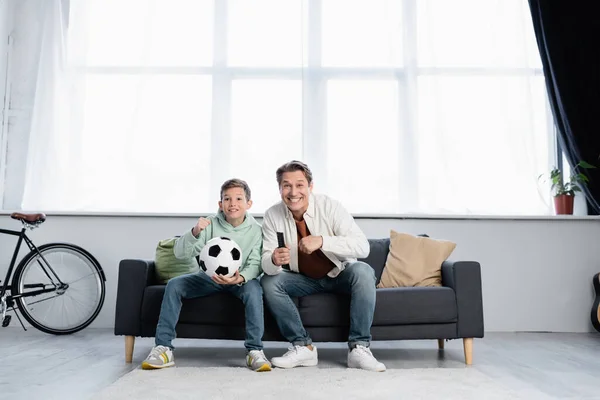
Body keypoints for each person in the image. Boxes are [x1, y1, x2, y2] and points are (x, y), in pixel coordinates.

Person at [260, 161, 386, 372]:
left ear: (310, 186)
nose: (293, 192)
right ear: (279, 189)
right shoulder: (272, 215)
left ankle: (359, 349)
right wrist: (273, 260)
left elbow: (362, 247)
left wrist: (322, 241)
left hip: (340, 273)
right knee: (269, 281)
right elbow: (266, 260)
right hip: (302, 279)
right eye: (286, 186)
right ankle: (303, 346)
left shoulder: (330, 207)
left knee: (364, 272)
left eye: (299, 185)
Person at [142, 179, 271, 372]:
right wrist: (194, 232)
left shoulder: (256, 231)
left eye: (238, 198)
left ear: (248, 204)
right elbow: (180, 253)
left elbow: (255, 264)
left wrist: (240, 277)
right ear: (220, 204)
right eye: (227, 199)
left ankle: (255, 351)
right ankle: (163, 348)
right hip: (207, 279)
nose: (232, 203)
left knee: (254, 290)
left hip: (240, 281)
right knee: (175, 285)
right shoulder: (209, 224)